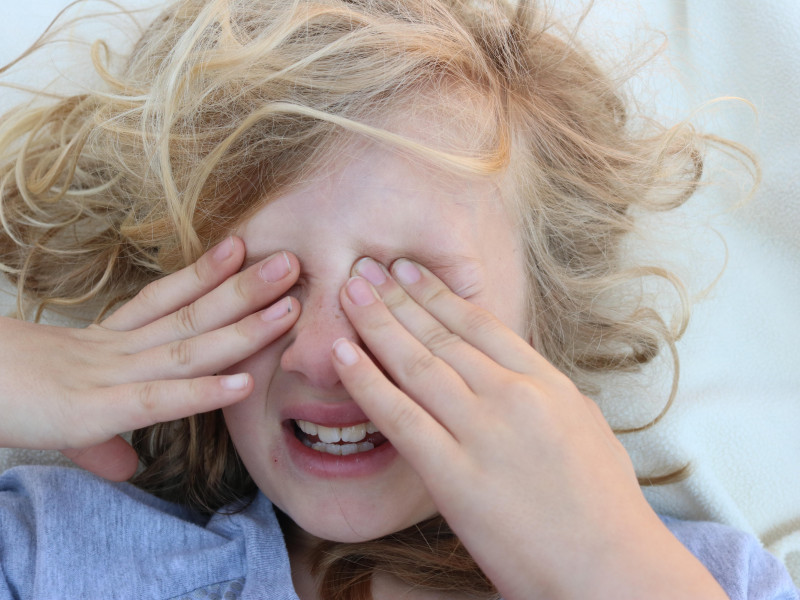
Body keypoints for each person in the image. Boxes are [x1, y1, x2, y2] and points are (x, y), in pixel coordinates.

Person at [0, 0, 796, 598]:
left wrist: (613, 570)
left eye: (404, 288)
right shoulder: (53, 554)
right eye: (266, 285)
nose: (320, 354)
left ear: (544, 314)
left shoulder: (710, 578)